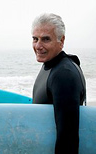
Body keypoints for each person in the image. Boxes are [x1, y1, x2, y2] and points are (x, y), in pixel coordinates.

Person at [31, 13, 86, 154]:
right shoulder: (50, 65)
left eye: (45, 39)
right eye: (35, 39)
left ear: (61, 41)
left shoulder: (64, 74)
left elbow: (68, 138)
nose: (38, 46)